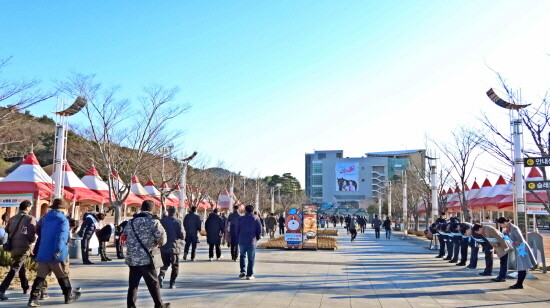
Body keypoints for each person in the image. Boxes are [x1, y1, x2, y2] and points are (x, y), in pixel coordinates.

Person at [27, 199, 81, 307]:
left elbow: (38, 230)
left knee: (40, 276)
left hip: (43, 251)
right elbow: (61, 237)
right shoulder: (63, 220)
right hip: (55, 252)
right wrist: (59, 249)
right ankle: (68, 295)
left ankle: (33, 298)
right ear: (62, 209)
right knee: (62, 275)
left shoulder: (44, 218)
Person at [123, 200, 169, 308]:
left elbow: (124, 237)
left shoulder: (131, 222)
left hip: (132, 258)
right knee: (153, 283)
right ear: (152, 210)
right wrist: (157, 243)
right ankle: (159, 305)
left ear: (141, 208)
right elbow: (162, 239)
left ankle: (131, 305)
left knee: (133, 285)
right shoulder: (153, 222)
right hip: (147, 258)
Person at [0, 201, 36, 301]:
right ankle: (1, 290)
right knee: (15, 268)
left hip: (12, 247)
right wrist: (32, 242)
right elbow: (31, 234)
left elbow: (6, 233)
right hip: (23, 247)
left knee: (21, 266)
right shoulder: (30, 219)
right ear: (28, 208)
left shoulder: (12, 219)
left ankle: (25, 287)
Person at [497, 217, 536, 289]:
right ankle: (519, 283)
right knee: (521, 266)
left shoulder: (514, 228)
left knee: (522, 266)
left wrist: (513, 244)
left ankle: (519, 284)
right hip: (518, 248)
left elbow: (520, 239)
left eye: (501, 224)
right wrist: (505, 235)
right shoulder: (508, 229)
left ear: (505, 222)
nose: (500, 226)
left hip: (522, 248)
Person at [159, 206, 184, 289]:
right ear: (176, 212)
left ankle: (161, 275)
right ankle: (172, 283)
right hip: (174, 246)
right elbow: (182, 235)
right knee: (175, 266)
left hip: (164, 246)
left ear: (168, 212)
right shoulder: (178, 221)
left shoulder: (162, 221)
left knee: (164, 264)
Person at [236, 205, 262, 280]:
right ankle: (249, 274)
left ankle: (242, 271)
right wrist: (256, 238)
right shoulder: (256, 218)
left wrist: (239, 237)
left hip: (242, 240)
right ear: (253, 210)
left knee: (242, 256)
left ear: (245, 210)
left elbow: (237, 229)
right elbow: (259, 229)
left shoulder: (241, 218)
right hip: (251, 240)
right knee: (251, 258)